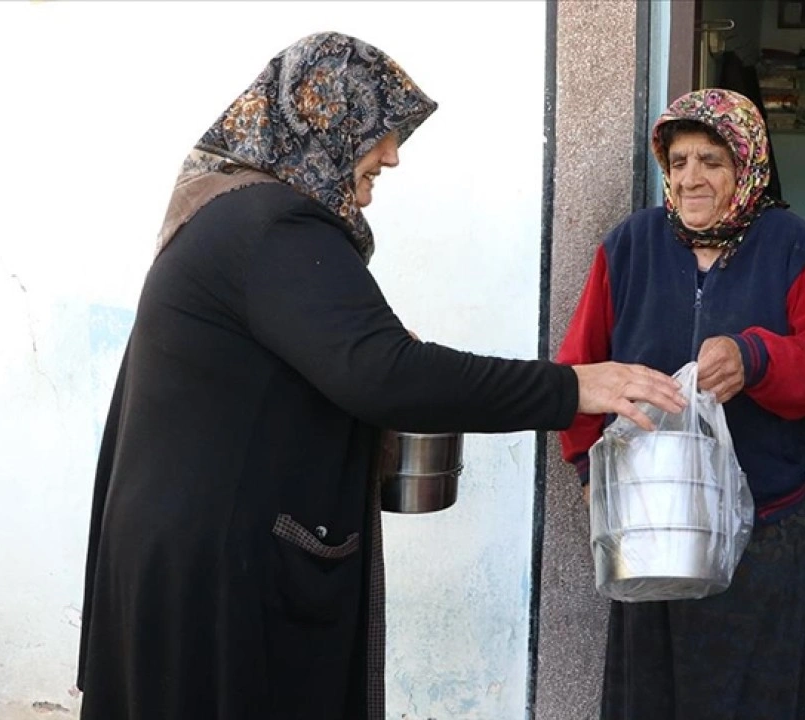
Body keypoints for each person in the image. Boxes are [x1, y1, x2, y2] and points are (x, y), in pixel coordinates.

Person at [76, 31, 685, 720]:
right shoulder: (276, 227)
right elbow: (387, 376)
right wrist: (577, 387)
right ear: (326, 119)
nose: (392, 155)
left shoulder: (237, 211)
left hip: (184, 551)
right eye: (380, 131)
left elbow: (340, 362)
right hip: (218, 572)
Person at [556, 88, 805, 719]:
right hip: (650, 519)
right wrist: (588, 468)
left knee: (748, 691)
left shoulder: (796, 249)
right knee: (652, 691)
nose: (691, 178)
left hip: (762, 524)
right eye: (679, 161)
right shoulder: (629, 246)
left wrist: (757, 358)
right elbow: (579, 369)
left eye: (712, 161)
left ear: (747, 166)